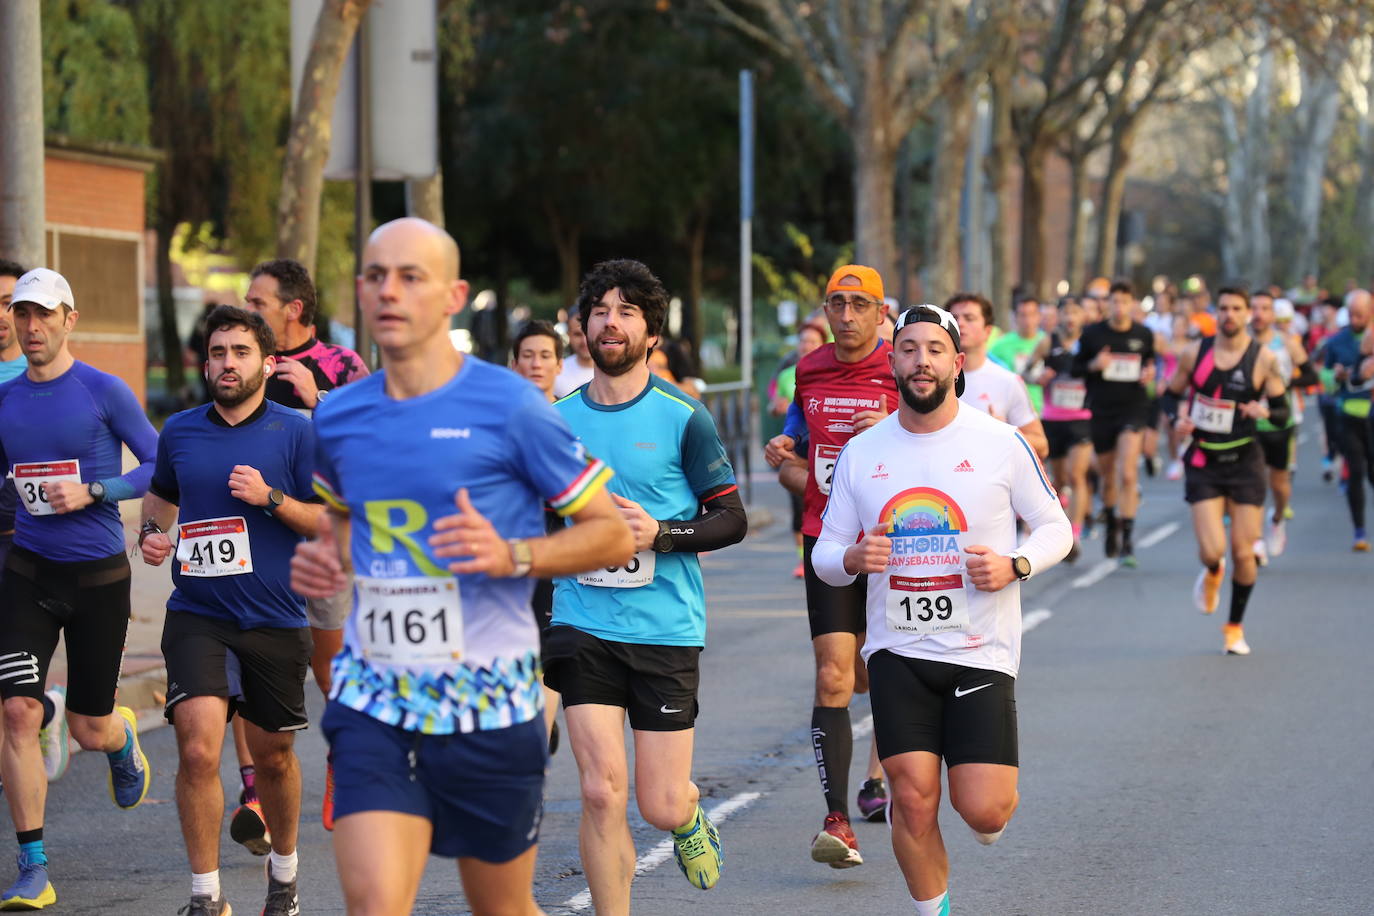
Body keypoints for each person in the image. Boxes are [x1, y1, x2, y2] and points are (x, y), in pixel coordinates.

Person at [288, 217, 633, 916]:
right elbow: (347, 518)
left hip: (486, 699)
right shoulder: (338, 417)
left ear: (452, 295)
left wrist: (514, 554)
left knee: (501, 908)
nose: (389, 291)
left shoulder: (509, 407)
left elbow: (612, 535)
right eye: (376, 276)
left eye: (410, 277)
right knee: (375, 902)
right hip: (374, 698)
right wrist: (329, 557)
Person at [813, 303, 1071, 915]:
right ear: (892, 361)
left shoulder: (1000, 443)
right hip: (898, 650)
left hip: (980, 651)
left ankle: (986, 812)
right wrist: (854, 557)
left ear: (957, 363)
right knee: (912, 794)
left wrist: (1016, 565)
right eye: (907, 349)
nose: (920, 361)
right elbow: (825, 553)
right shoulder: (864, 452)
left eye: (933, 350)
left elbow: (1055, 527)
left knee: (984, 807)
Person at [545, 259, 746, 910]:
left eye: (627, 310)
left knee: (656, 802)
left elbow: (731, 518)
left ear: (652, 333)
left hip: (665, 627)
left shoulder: (682, 417)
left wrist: (659, 532)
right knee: (601, 791)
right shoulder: (556, 420)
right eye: (599, 309)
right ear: (582, 328)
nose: (610, 320)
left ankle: (687, 811)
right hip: (582, 621)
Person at [139, 305, 321, 916]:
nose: (227, 363)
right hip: (198, 611)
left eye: (240, 352)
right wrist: (150, 535)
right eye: (218, 352)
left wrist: (270, 499)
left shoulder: (295, 431)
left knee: (272, 756)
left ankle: (285, 876)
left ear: (268, 363)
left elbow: (327, 520)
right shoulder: (181, 430)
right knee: (196, 749)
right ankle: (205, 894)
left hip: (275, 616)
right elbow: (162, 496)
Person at [0, 268, 156, 909]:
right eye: (21, 314)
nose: (30, 327)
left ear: (70, 318)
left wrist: (95, 490)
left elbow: (156, 464)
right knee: (17, 711)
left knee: (89, 728)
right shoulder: (5, 401)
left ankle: (119, 734)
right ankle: (32, 865)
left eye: (43, 315)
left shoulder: (102, 390)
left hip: (98, 578)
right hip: (28, 572)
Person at [763, 265, 899, 868]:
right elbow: (799, 455)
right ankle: (837, 820)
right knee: (832, 677)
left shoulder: (907, 367)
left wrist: (892, 432)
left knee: (876, 673)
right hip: (829, 539)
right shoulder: (810, 370)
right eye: (835, 304)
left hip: (898, 545)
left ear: (879, 314)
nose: (844, 316)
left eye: (857, 305)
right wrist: (783, 457)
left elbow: (942, 452)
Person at [243, 257, 370, 832]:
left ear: (292, 309)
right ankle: (253, 792)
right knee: (247, 666)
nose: (247, 313)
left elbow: (377, 445)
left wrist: (321, 399)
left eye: (257, 304)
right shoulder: (246, 360)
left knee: (326, 670)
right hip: (255, 535)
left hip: (324, 536)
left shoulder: (343, 365)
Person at [1164, 287, 1289, 655]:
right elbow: (1169, 395)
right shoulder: (1195, 353)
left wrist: (1265, 412)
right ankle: (1212, 573)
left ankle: (1234, 627)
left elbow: (1283, 411)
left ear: (1248, 313)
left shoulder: (1262, 359)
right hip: (1204, 462)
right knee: (1212, 552)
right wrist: (1179, 417)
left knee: (1244, 553)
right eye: (1223, 308)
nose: (1229, 314)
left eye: (1237, 308)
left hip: (1245, 464)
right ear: (1216, 313)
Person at [509, 319, 567, 747]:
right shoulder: (495, 419)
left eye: (545, 355)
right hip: (505, 551)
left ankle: (538, 730)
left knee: (549, 651)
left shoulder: (574, 417)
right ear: (513, 363)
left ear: (559, 364)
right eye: (527, 355)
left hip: (558, 549)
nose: (535, 363)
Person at [1075, 280, 1155, 566]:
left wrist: (1149, 374)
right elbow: (1077, 367)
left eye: (1124, 302)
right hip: (1102, 410)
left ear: (1132, 304)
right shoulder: (1093, 334)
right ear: (1106, 304)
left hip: (1133, 409)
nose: (1119, 307)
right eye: (1114, 302)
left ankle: (1128, 539)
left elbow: (1149, 364)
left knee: (1128, 473)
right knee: (1108, 475)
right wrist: (1095, 365)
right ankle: (1110, 521)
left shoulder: (1143, 334)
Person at [1250, 291, 1318, 557]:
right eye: (1254, 308)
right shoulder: (1241, 344)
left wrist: (1284, 384)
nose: (1258, 314)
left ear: (1272, 315)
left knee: (1278, 485)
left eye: (1264, 309)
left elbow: (1311, 375)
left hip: (1279, 420)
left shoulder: (1288, 343)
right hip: (1250, 423)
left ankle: (1276, 520)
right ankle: (1255, 542)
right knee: (1254, 483)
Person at [1029, 296, 1094, 561]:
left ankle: (1074, 535)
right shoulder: (1048, 342)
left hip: (1082, 417)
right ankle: (1064, 508)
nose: (1070, 318)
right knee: (1060, 481)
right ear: (1058, 316)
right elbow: (1028, 371)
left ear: (1082, 316)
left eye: (1075, 312)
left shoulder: (1091, 343)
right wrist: (1038, 377)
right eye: (1065, 313)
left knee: (1077, 476)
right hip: (1053, 419)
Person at [945, 293, 1049, 459]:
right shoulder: (931, 378)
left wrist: (1006, 433)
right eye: (955, 318)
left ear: (987, 331)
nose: (960, 323)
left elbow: (1042, 446)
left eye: (969, 318)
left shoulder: (1007, 381)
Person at [770, 321, 829, 577]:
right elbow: (776, 403)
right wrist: (778, 408)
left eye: (813, 342)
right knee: (798, 503)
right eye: (803, 341)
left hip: (826, 444)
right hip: (798, 446)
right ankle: (803, 559)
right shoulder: (787, 375)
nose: (807, 346)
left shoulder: (832, 372)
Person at [1320, 291, 1374, 550]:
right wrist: (1337, 377)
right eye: (1351, 314)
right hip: (1348, 413)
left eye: (1360, 315)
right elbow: (1327, 379)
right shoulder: (1337, 341)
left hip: (1371, 414)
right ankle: (1360, 532)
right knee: (1356, 471)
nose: (1355, 319)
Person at [987, 295, 1046, 415]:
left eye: (1032, 314)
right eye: (1022, 315)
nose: (1027, 320)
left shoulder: (1048, 341)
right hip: (1013, 410)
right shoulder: (1000, 345)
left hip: (1045, 411)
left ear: (1039, 316)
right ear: (1015, 317)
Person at [553, 312, 596, 397]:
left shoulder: (616, 373)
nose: (584, 341)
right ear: (569, 334)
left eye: (589, 333)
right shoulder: (556, 374)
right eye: (577, 334)